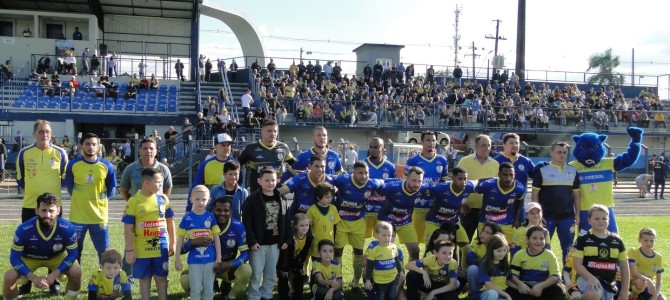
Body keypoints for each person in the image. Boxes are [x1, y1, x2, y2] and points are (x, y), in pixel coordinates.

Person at [3, 192, 81, 300]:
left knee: (76, 271)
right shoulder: (23, 229)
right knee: (9, 276)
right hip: (29, 258)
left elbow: (73, 254)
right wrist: (33, 277)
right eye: (43, 210)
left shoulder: (67, 228)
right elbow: (14, 258)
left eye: (51, 211)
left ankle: (70, 298)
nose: (47, 215)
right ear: (37, 211)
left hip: (56, 257)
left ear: (58, 211)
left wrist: (54, 274)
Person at [122, 168, 176, 300]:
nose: (160, 185)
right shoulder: (133, 201)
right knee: (144, 278)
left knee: (161, 277)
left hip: (160, 246)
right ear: (146, 183)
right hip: (141, 247)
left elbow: (170, 222)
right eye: (157, 182)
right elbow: (128, 227)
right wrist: (129, 250)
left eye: (161, 182)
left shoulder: (163, 199)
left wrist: (173, 243)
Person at [64, 133, 117, 264]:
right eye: (87, 144)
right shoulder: (72, 165)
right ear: (81, 146)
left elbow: (112, 189)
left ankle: (104, 282)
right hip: (78, 217)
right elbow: (70, 188)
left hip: (99, 217)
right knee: (74, 253)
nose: (91, 147)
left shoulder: (106, 166)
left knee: (104, 253)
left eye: (94, 144)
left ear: (98, 147)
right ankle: (75, 283)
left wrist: (99, 201)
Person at [333, 161, 383, 288]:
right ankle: (338, 281)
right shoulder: (343, 180)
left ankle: (355, 283)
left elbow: (382, 182)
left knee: (358, 252)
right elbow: (328, 178)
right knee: (338, 252)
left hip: (359, 222)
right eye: (360, 173)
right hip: (341, 221)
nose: (364, 176)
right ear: (353, 173)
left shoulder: (372, 183)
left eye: (366, 172)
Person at [242, 168, 289, 300]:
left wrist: (286, 239)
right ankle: (254, 295)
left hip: (275, 243)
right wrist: (252, 241)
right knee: (256, 272)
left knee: (270, 272)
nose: (270, 183)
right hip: (258, 243)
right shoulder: (252, 199)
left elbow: (286, 220)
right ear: (259, 181)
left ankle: (267, 293)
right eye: (267, 180)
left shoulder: (282, 198)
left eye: (273, 180)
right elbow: (247, 221)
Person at [532, 141, 580, 264]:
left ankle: (566, 275)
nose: (562, 155)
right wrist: (538, 214)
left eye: (564, 152)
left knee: (568, 247)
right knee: (543, 246)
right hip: (547, 217)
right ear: (551, 152)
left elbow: (576, 194)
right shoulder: (542, 170)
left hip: (567, 217)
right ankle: (545, 273)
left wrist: (577, 214)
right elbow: (535, 194)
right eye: (559, 152)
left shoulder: (573, 170)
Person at [573, 204, 630, 300]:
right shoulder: (583, 239)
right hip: (587, 279)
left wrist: (624, 291)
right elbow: (577, 264)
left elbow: (625, 267)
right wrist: (590, 277)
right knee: (593, 294)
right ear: (589, 220)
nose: (601, 221)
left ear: (609, 220)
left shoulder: (617, 241)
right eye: (597, 218)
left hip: (609, 283)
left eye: (604, 218)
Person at [175, 185, 222, 300]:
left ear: (209, 200)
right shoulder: (187, 218)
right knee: (195, 290)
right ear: (191, 199)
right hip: (194, 260)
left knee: (209, 290)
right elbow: (180, 240)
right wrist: (177, 259)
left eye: (204, 199)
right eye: (197, 199)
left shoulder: (211, 217)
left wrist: (218, 258)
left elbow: (216, 239)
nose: (200, 202)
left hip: (210, 260)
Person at [17, 120, 68, 222]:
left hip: (53, 207)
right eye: (41, 132)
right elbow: (20, 179)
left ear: (51, 134)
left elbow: (64, 178)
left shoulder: (60, 153)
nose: (45, 134)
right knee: (29, 237)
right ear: (34, 134)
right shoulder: (24, 153)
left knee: (54, 237)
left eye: (47, 132)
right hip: (30, 205)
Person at [406, 132, 449, 245]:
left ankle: (430, 261)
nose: (431, 143)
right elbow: (406, 183)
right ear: (422, 142)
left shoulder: (443, 161)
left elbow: (443, 182)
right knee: (415, 241)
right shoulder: (413, 161)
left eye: (434, 140)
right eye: (428, 140)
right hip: (418, 206)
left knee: (434, 241)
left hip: (436, 208)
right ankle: (415, 262)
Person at [377, 166, 428, 261]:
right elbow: (376, 188)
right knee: (385, 250)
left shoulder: (423, 189)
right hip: (388, 221)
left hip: (405, 222)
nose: (417, 184)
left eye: (419, 181)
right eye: (414, 180)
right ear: (406, 178)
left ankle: (412, 275)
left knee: (415, 250)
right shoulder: (392, 187)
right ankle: (379, 273)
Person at [458, 135, 499, 241]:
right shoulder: (464, 161)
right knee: (465, 241)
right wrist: (461, 204)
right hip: (468, 209)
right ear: (476, 146)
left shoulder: (495, 164)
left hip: (487, 210)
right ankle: (465, 258)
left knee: (485, 242)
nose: (487, 148)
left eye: (489, 145)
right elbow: (457, 185)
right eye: (484, 145)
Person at [507, 226, 565, 300]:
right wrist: (520, 284)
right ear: (527, 239)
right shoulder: (519, 254)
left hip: (543, 286)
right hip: (525, 287)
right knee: (510, 291)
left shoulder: (549, 255)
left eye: (541, 238)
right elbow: (513, 275)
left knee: (558, 290)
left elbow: (556, 277)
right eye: (534, 238)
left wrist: (541, 286)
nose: (538, 241)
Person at [238, 120, 295, 193]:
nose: (273, 134)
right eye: (269, 131)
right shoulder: (251, 148)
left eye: (275, 131)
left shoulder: (283, 147)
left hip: (277, 192)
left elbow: (295, 164)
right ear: (262, 132)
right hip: (257, 193)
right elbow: (238, 164)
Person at [475, 163, 525, 242]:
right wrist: (463, 204)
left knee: (513, 246)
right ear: (499, 175)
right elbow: (469, 190)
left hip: (506, 222)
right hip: (486, 222)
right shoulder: (488, 184)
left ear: (514, 175)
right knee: (483, 247)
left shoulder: (519, 188)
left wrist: (516, 219)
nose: (508, 178)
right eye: (505, 175)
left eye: (511, 175)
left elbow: (520, 201)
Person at [425, 167, 474, 249]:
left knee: (467, 249)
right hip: (434, 222)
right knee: (431, 249)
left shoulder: (469, 186)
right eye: (460, 179)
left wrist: (497, 179)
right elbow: (422, 190)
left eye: (465, 179)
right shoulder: (440, 188)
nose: (463, 182)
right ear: (452, 178)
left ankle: (455, 262)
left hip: (453, 222)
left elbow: (479, 181)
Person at [186, 133, 237, 211]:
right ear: (215, 147)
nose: (226, 148)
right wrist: (188, 208)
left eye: (228, 145)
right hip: (211, 209)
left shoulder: (236, 163)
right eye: (223, 145)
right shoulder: (206, 164)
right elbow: (195, 186)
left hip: (231, 210)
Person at [494, 133, 535, 224]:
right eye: (511, 143)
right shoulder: (496, 161)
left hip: (519, 203)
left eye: (517, 143)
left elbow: (537, 177)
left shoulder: (526, 161)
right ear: (504, 145)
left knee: (519, 231)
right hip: (500, 203)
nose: (515, 145)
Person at [364, 137, 396, 239]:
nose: (372, 149)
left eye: (376, 147)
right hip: (365, 209)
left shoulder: (390, 167)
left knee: (383, 240)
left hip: (382, 210)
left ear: (382, 148)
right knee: (359, 242)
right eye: (371, 147)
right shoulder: (362, 165)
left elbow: (393, 189)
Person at [365, 221, 405, 300]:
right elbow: (369, 266)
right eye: (384, 235)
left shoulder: (393, 247)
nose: (387, 238)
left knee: (391, 297)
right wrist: (368, 280)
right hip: (379, 281)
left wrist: (400, 271)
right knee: (380, 297)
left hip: (392, 279)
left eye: (389, 235)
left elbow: (397, 260)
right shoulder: (374, 250)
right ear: (377, 235)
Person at [278, 213, 313, 300]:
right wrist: (285, 268)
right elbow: (285, 254)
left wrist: (300, 266)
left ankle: (297, 296)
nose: (305, 228)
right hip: (284, 261)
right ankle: (284, 296)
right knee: (284, 275)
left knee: (299, 274)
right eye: (301, 225)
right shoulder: (291, 238)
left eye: (307, 225)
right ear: (295, 226)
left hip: (296, 260)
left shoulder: (309, 237)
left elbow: (304, 253)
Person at [465, 222, 503, 298]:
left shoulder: (499, 247)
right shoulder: (477, 242)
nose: (483, 234)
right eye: (483, 231)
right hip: (481, 271)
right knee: (472, 269)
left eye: (488, 233)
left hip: (493, 274)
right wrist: (485, 265)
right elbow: (469, 258)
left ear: (494, 236)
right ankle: (472, 295)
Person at [306, 183, 341, 260]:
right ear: (318, 197)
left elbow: (335, 226)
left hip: (329, 244)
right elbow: (307, 227)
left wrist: (335, 240)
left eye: (331, 197)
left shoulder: (333, 208)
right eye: (327, 197)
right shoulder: (312, 210)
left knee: (327, 266)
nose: (330, 199)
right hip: (316, 245)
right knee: (316, 267)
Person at [627, 228, 664, 300]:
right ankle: (633, 296)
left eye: (652, 241)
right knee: (641, 282)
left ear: (655, 241)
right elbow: (633, 273)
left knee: (662, 298)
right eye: (645, 240)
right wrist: (648, 279)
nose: (649, 243)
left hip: (649, 286)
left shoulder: (658, 257)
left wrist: (655, 295)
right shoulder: (633, 251)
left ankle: (641, 297)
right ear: (639, 240)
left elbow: (659, 280)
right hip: (634, 283)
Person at [478, 233, 512, 300]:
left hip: (501, 296)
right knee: (493, 294)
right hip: (487, 294)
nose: (502, 253)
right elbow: (489, 285)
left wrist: (519, 287)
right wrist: (506, 295)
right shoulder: (485, 265)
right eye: (498, 251)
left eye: (504, 250)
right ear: (491, 250)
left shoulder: (505, 265)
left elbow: (508, 281)